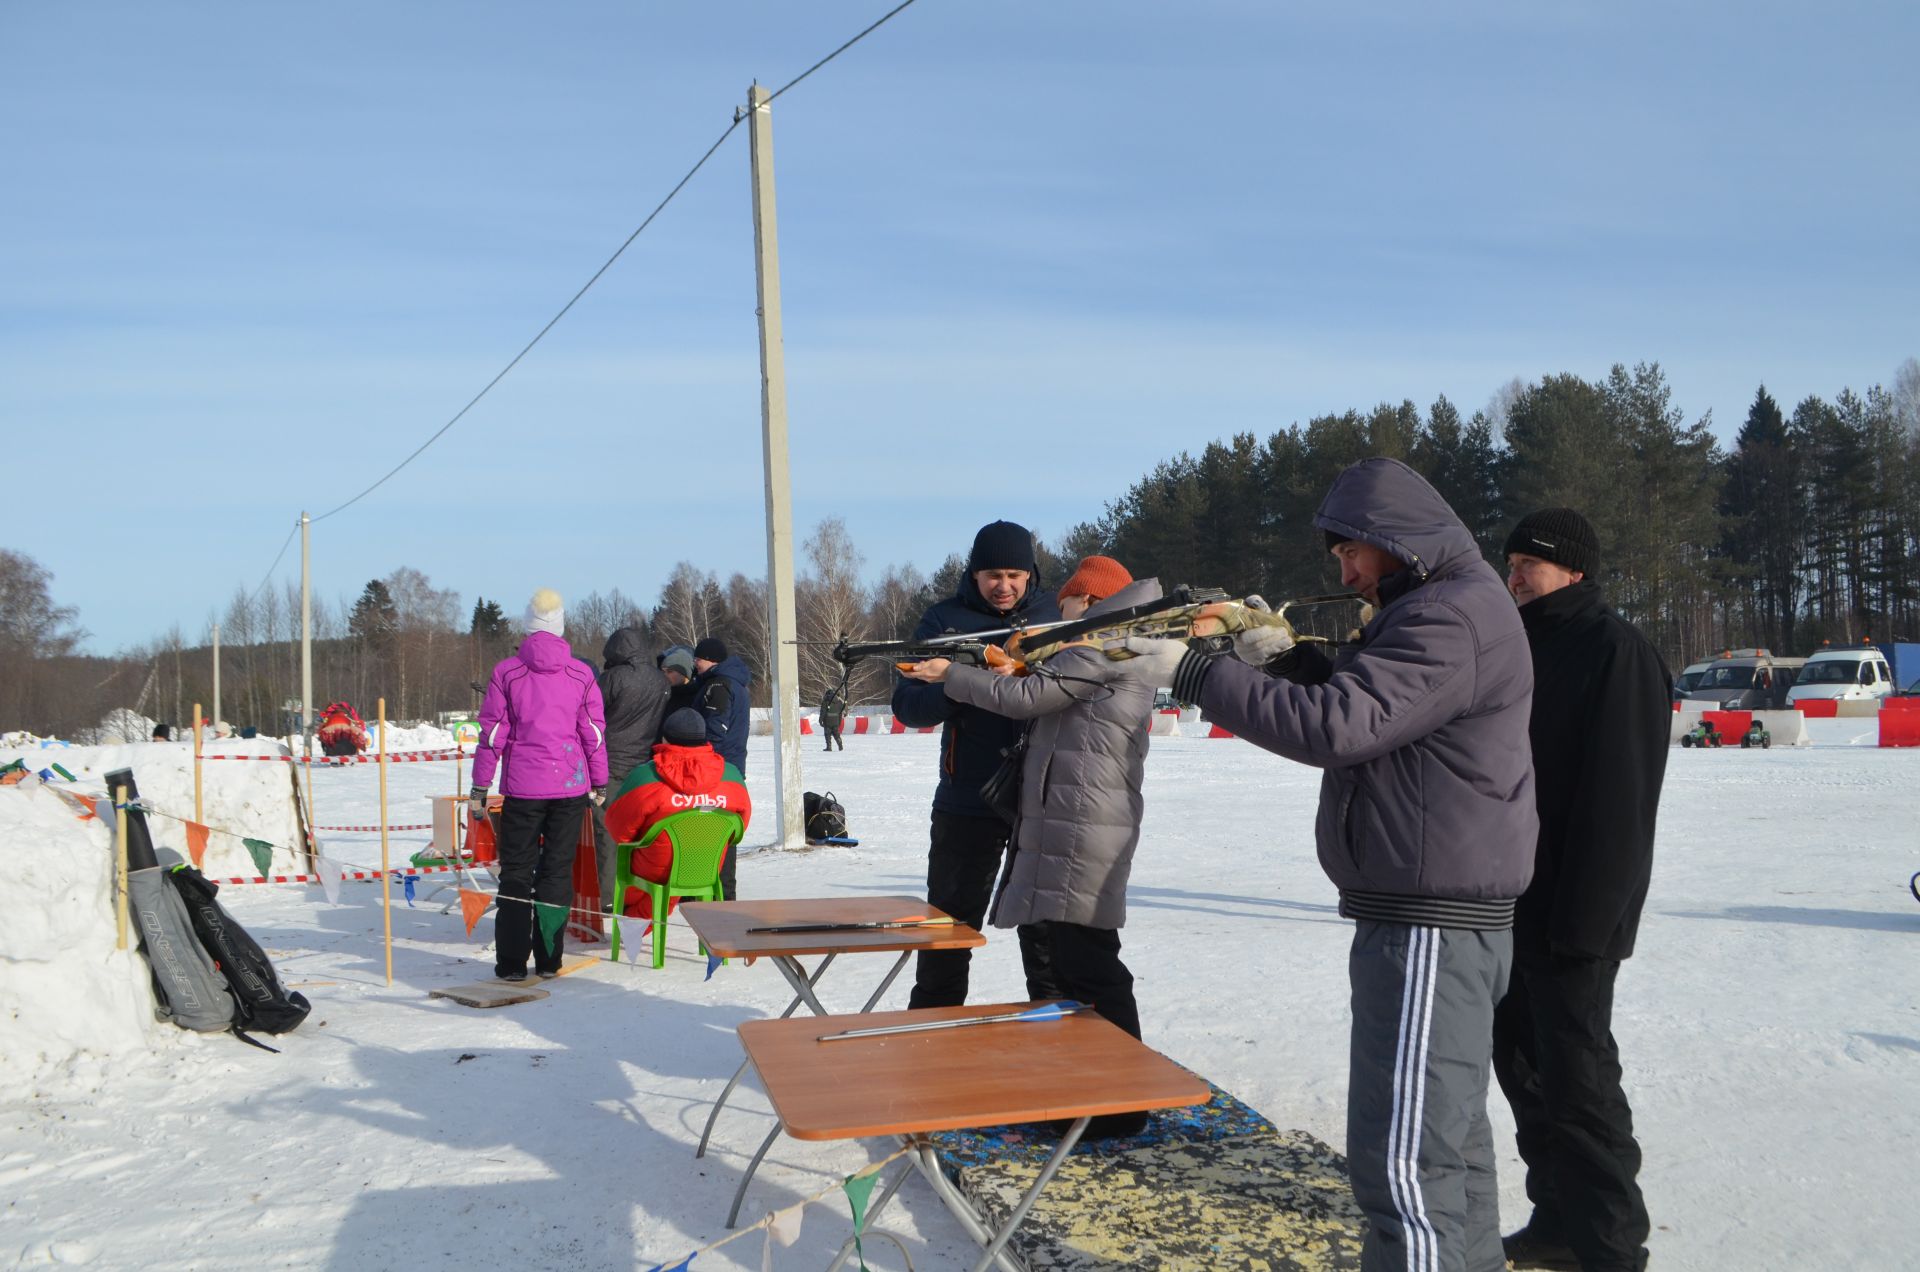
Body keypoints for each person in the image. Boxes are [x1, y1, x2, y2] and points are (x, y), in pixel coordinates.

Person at [1121, 458, 1537, 1272]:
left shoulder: (1448, 615)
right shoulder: (1441, 606)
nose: (1344, 570)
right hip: (1433, 910)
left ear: (1397, 541)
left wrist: (1196, 672)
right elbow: (1371, 700)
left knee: (1407, 1163)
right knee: (1444, 1149)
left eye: (1352, 551)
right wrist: (1284, 660)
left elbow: (1339, 728)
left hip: (1430, 921)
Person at [902, 554, 1158, 1138]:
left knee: (1089, 966)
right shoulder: (1114, 644)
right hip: (1076, 821)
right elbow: (1046, 691)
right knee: (1077, 961)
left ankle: (1116, 1105)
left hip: (1081, 824)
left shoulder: (1097, 646)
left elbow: (1028, 699)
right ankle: (1099, 1097)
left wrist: (952, 675)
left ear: (1087, 602)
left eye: (1066, 601)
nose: (1057, 611)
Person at [1495, 509, 1669, 1272]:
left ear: (1573, 568)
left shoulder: (1614, 650)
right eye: (1509, 565)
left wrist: (1589, 924)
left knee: (1581, 1084)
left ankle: (1610, 1247)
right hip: (1512, 900)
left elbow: (1621, 799)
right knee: (1525, 1072)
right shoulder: (1519, 647)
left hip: (1576, 915)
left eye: (1527, 564)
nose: (1514, 577)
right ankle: (1558, 1219)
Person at [892, 519, 1062, 1009]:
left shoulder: (1058, 615)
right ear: (974, 572)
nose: (1003, 586)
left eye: (1014, 574)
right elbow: (907, 707)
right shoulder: (942, 620)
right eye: (992, 574)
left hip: (1044, 796)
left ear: (1030, 573)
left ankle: (1055, 1036)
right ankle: (932, 1032)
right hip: (967, 797)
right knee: (947, 928)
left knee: (1046, 930)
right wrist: (958, 683)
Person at [469, 589, 609, 982]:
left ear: (528, 625)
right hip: (569, 789)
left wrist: (480, 785)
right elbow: (594, 733)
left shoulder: (507, 671)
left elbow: (493, 733)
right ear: (561, 626)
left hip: (523, 790)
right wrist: (599, 780)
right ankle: (549, 960)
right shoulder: (582, 674)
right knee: (556, 873)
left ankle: (512, 964)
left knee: (516, 872)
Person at [602, 707, 752, 921]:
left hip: (655, 869)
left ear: (666, 738)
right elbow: (739, 828)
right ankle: (636, 923)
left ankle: (631, 924)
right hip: (705, 867)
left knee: (633, 877)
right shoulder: (731, 775)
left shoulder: (646, 775)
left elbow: (618, 829)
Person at [590, 625, 669, 914]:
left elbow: (590, 715)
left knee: (607, 830)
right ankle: (639, 893)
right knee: (641, 831)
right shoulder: (660, 680)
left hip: (609, 764)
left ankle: (608, 896)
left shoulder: (612, 678)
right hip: (644, 768)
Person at [689, 637, 751, 896]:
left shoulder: (719, 685)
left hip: (716, 771)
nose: (696, 665)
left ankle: (713, 893)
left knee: (712, 832)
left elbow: (716, 728)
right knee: (723, 832)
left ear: (712, 660)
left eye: (699, 660)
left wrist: (694, 749)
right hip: (731, 769)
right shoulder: (733, 682)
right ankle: (720, 893)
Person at [658, 645, 699, 722]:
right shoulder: (662, 694)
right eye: (663, 671)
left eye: (670, 671)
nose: (665, 675)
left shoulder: (697, 698)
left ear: (684, 673)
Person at [818, 685, 846, 751]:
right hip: (836, 720)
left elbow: (823, 712)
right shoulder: (839, 702)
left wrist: (820, 720)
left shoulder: (825, 701)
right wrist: (839, 722)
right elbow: (840, 713)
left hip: (827, 721)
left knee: (827, 734)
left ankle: (829, 747)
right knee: (836, 734)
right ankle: (840, 745)